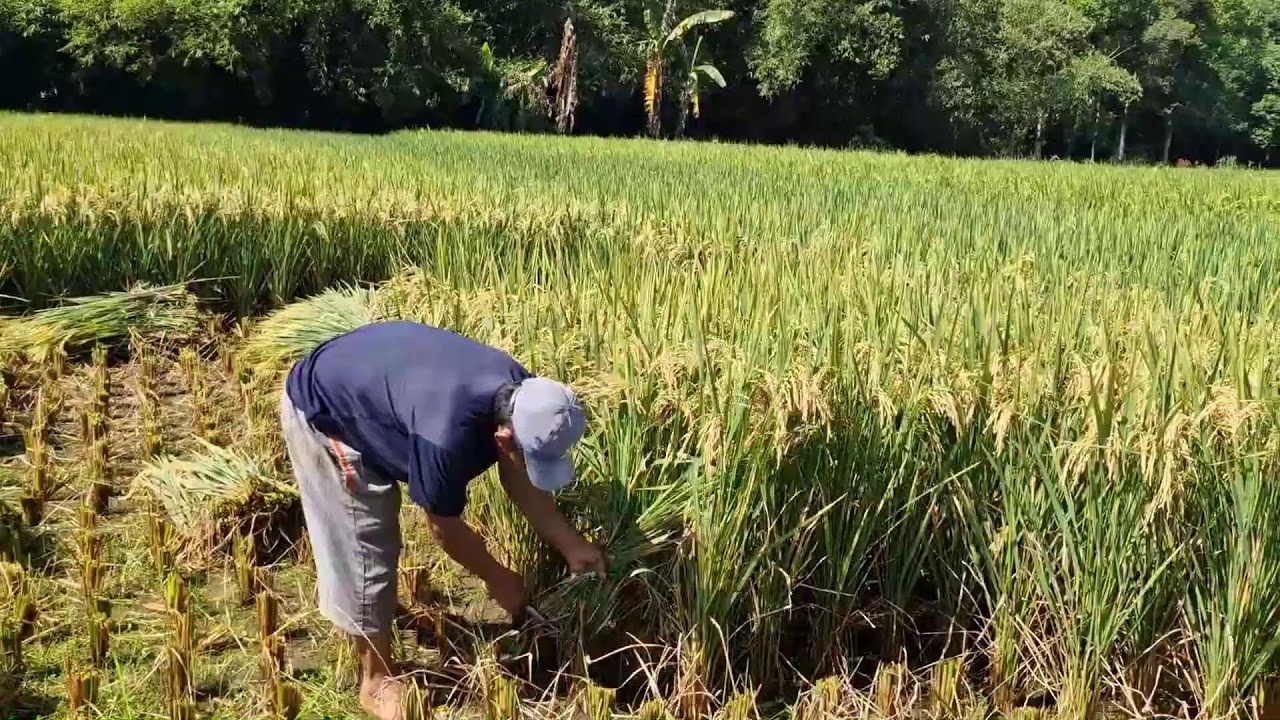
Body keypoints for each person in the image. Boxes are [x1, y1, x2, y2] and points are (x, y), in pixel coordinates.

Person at [279, 320, 607, 720]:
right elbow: (443, 528)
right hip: (327, 406)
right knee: (366, 539)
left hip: (378, 372)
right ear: (503, 437)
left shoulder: (524, 392)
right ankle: (376, 680)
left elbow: (517, 471)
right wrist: (495, 576)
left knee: (374, 546)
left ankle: (374, 615)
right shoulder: (446, 438)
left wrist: (569, 542)